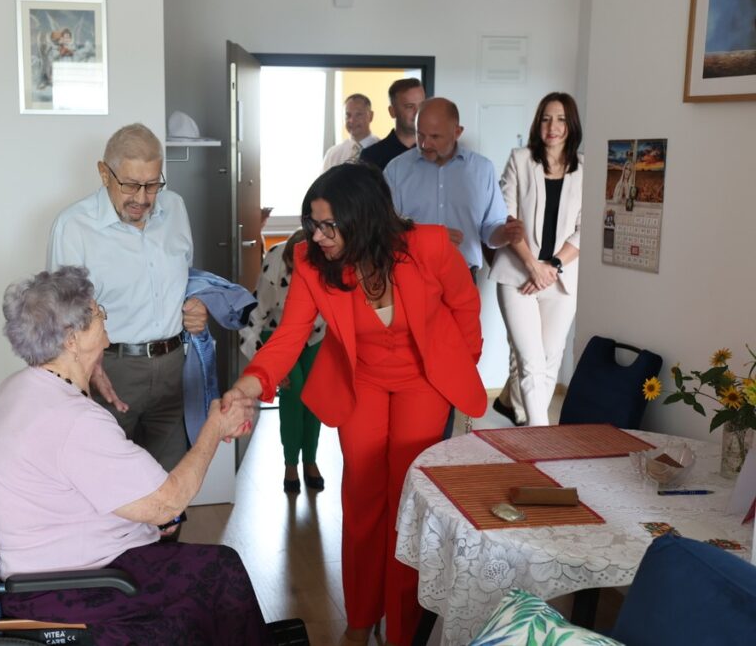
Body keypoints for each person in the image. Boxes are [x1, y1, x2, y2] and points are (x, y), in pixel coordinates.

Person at [222, 164, 487, 646]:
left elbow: (465, 305)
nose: (317, 236)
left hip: (423, 382)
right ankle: (361, 619)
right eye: (312, 223)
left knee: (408, 505)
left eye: (329, 225)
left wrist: (461, 365)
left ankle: (401, 629)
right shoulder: (310, 261)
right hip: (361, 379)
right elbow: (290, 336)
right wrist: (248, 385)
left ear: (363, 218)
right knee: (362, 499)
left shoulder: (428, 245)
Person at [0, 266, 270, 645]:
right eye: (97, 312)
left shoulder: (15, 390)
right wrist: (213, 427)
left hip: (42, 566)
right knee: (222, 571)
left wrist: (89, 371)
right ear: (71, 339)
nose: (104, 315)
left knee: (206, 568)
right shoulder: (74, 420)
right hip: (73, 585)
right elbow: (167, 505)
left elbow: (63, 485)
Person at [47, 124, 207, 474]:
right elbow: (63, 316)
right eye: (131, 185)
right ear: (104, 173)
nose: (143, 199)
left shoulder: (176, 208)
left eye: (152, 185)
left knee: (169, 482)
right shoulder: (74, 226)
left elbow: (183, 278)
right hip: (108, 371)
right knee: (108, 481)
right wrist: (87, 370)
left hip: (174, 367)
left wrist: (194, 306)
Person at [489, 92, 583, 427]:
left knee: (550, 359)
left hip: (561, 278)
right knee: (530, 362)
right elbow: (507, 218)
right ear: (537, 123)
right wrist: (532, 265)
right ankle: (541, 437)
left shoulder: (585, 169)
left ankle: (533, 435)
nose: (552, 126)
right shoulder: (520, 160)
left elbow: (585, 228)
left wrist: (552, 267)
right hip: (518, 275)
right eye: (546, 118)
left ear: (571, 125)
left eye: (560, 119)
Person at [384, 97, 524, 278]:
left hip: (463, 276)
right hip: (412, 275)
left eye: (435, 136)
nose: (425, 144)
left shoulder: (482, 169)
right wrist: (429, 239)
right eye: (420, 135)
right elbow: (384, 229)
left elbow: (490, 229)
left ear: (457, 132)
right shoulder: (396, 170)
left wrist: (506, 234)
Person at [239, 229, 327, 493]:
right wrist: (268, 367)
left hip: (316, 335)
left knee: (315, 397)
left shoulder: (329, 261)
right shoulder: (274, 268)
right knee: (294, 390)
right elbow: (253, 319)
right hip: (279, 333)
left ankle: (310, 460)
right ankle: (291, 464)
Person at [360, 78, 426, 170]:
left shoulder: (435, 152)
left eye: (422, 105)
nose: (418, 112)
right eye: (410, 106)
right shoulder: (372, 156)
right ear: (392, 111)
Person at [322, 93, 379, 170]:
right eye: (348, 115)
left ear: (371, 116)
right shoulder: (333, 154)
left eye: (358, 115)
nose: (352, 120)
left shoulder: (382, 150)